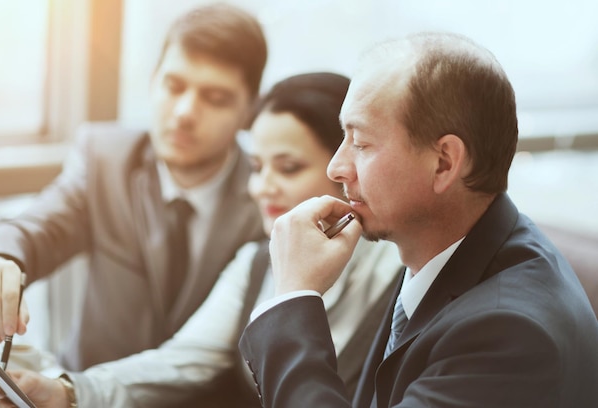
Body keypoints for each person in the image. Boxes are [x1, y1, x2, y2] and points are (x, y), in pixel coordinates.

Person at [0, 72, 403, 407]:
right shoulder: (255, 262)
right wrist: (66, 392)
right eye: (257, 167)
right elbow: (178, 364)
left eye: (288, 168)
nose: (261, 188)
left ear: (345, 169)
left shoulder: (403, 276)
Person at [237, 32, 598, 407]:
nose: (337, 167)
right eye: (344, 137)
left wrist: (294, 295)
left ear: (443, 162)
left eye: (360, 144)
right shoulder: (437, 250)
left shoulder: (510, 333)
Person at [0, 3, 267, 371]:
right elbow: (39, 227)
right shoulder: (105, 159)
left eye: (215, 98)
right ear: (153, 80)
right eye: (173, 86)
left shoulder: (267, 196)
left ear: (249, 111)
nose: (184, 112)